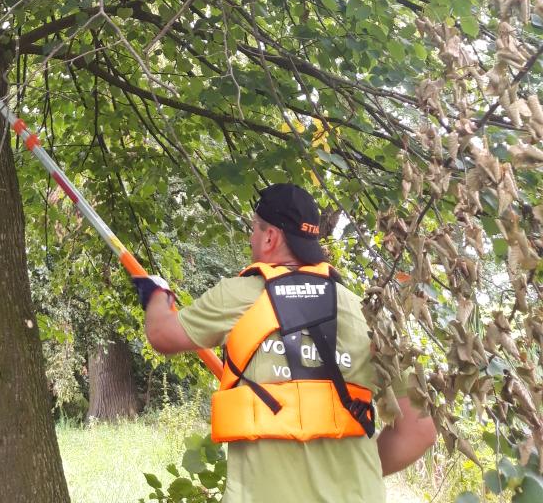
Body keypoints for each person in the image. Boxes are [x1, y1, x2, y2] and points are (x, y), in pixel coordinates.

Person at [133, 182, 436, 503]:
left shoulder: (238, 297)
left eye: (254, 229)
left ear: (270, 237)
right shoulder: (368, 316)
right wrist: (357, 477)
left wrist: (157, 294)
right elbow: (420, 431)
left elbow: (162, 334)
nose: (251, 239)